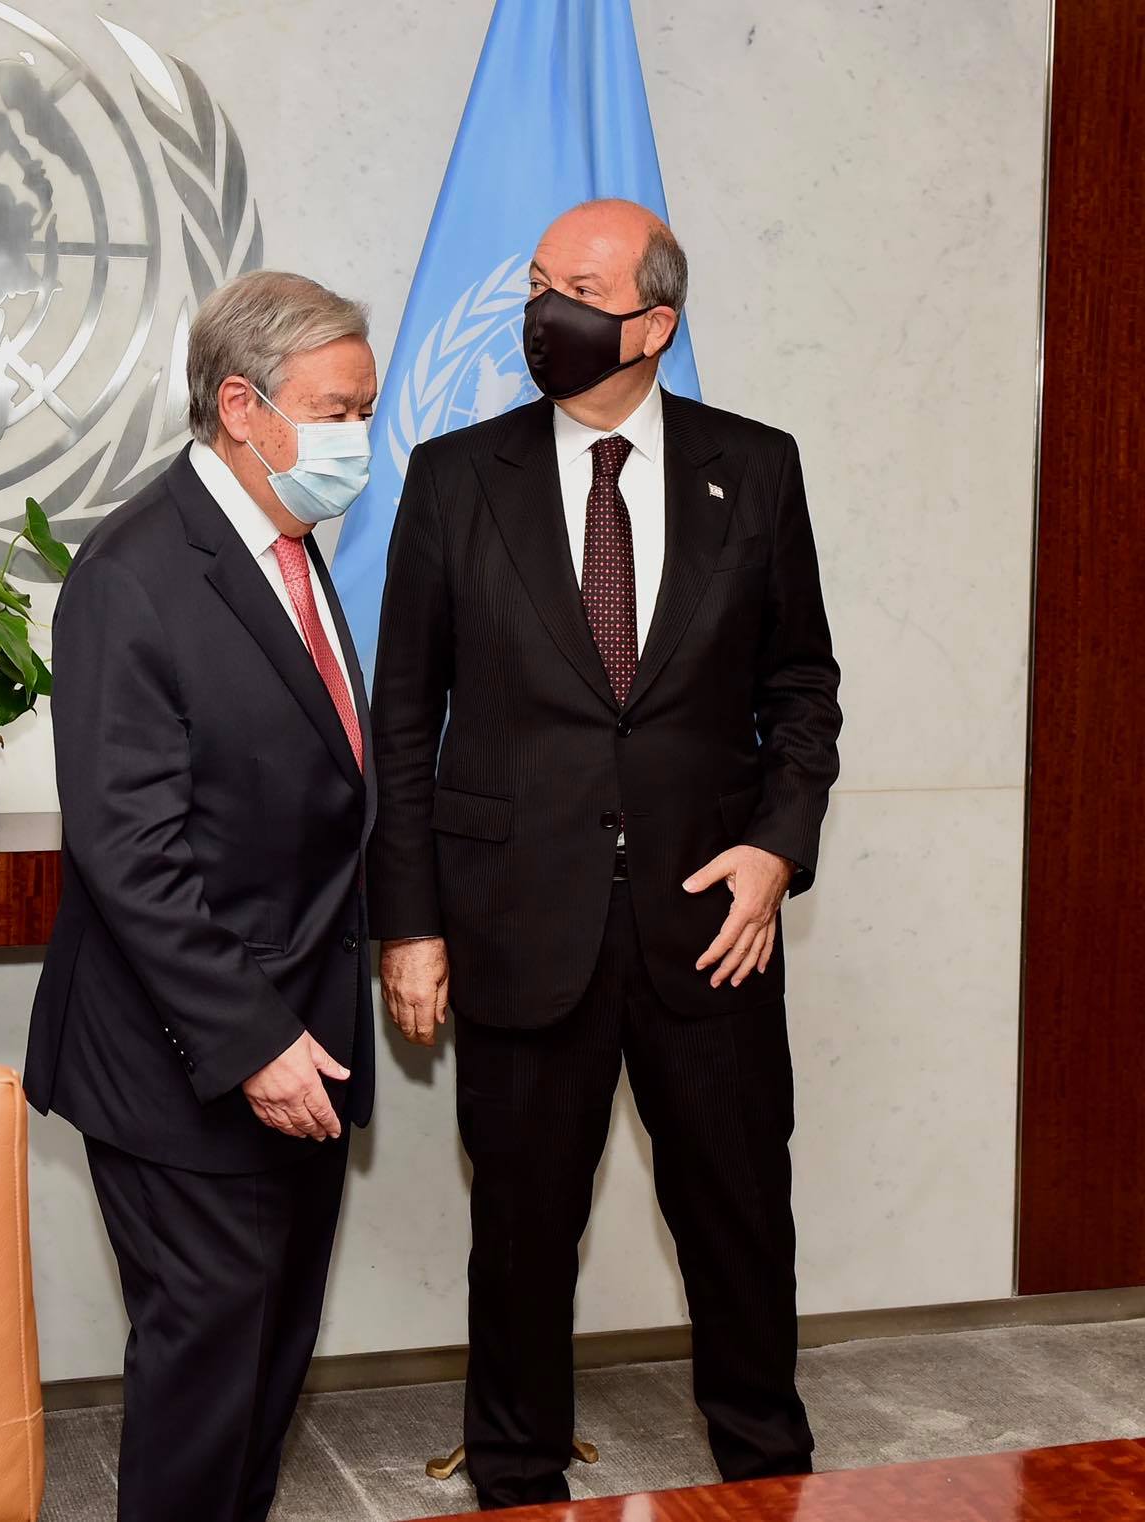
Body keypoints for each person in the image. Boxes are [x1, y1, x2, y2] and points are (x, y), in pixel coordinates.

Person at [370, 199, 841, 1509]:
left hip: (712, 926)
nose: (545, 311)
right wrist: (408, 923)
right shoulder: (456, 477)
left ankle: (767, 1473)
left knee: (739, 1225)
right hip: (518, 919)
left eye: (578, 289)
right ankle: (517, 1477)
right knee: (521, 1233)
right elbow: (403, 718)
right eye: (537, 283)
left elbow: (801, 689)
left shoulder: (755, 468)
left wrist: (775, 850)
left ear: (653, 323)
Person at [25, 270, 380, 1522]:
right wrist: (253, 1041)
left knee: (266, 1361)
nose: (359, 439)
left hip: (301, 1038)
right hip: (188, 1060)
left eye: (364, 411)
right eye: (336, 412)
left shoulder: (285, 548)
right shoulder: (135, 569)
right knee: (205, 1373)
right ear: (241, 406)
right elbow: (129, 850)